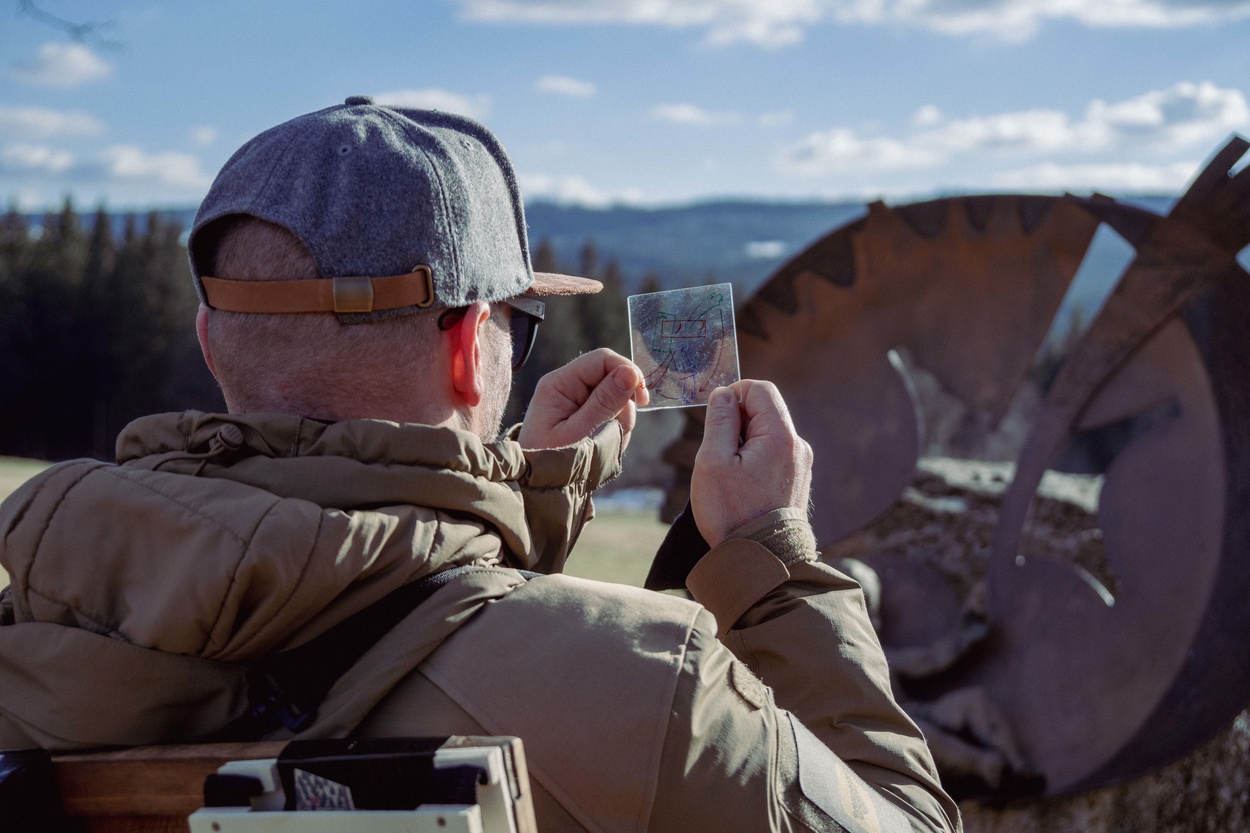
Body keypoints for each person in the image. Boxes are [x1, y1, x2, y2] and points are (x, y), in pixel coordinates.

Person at [0, 97, 960, 832]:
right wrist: (773, 564)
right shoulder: (643, 687)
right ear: (467, 348)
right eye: (518, 325)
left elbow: (394, 628)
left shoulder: (39, 640)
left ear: (212, 342)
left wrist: (519, 501)